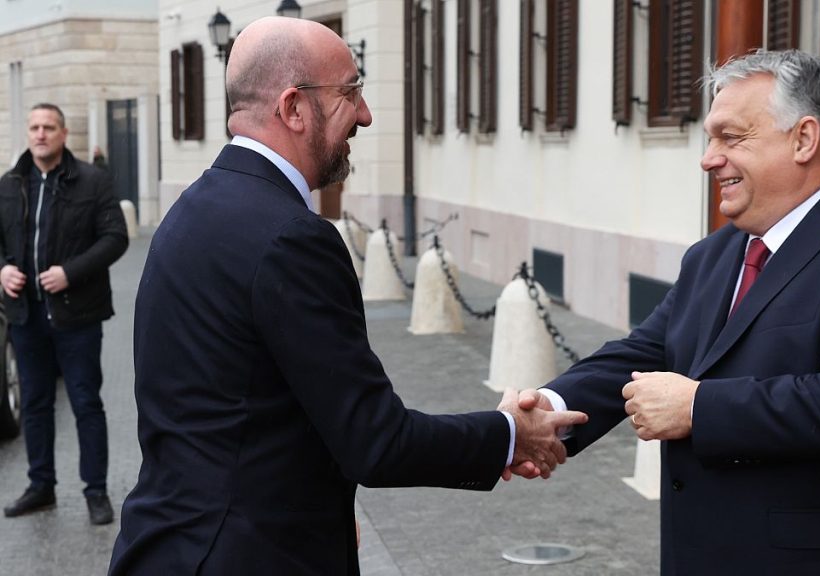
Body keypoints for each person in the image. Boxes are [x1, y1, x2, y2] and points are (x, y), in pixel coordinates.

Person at [107, 17, 585, 576]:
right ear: (293, 108)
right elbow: (376, 441)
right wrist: (509, 434)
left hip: (169, 547)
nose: (365, 114)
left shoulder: (192, 208)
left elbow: (241, 401)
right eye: (350, 92)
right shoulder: (292, 237)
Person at [513, 50, 820, 575]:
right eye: (710, 139)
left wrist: (699, 407)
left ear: (803, 139)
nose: (708, 159)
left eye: (731, 137)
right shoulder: (714, 254)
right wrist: (545, 410)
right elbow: (641, 353)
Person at [0, 103, 129, 525]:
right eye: (34, 127)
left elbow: (116, 237)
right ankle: (41, 486)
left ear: (63, 133)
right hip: (26, 315)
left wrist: (69, 273)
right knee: (35, 404)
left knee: (86, 403)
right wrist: (2, 270)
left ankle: (95, 491)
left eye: (48, 127)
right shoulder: (10, 183)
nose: (40, 134)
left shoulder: (92, 181)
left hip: (77, 315)